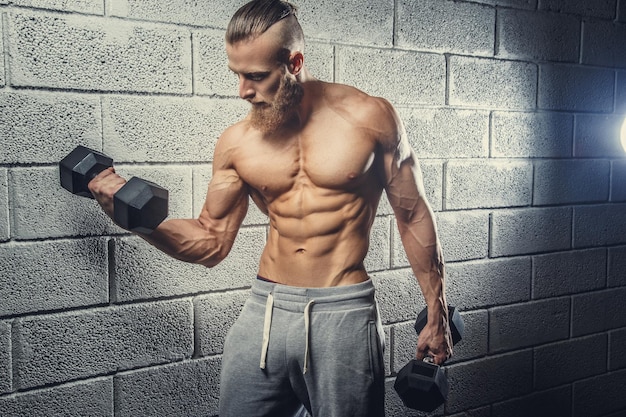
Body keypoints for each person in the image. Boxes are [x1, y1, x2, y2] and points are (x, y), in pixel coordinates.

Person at [88, 0, 452, 415]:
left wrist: (436, 310)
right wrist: (135, 218)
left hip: (343, 314)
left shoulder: (370, 118)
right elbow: (210, 242)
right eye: (237, 74)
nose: (243, 90)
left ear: (294, 62)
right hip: (266, 311)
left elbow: (413, 215)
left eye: (256, 76)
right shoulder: (237, 143)